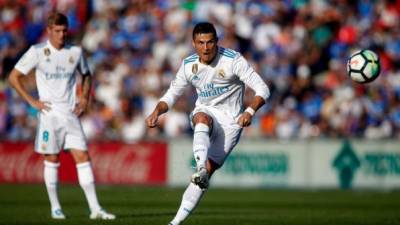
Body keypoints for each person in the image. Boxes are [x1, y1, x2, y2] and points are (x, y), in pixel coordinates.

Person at [145, 22, 270, 225]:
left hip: (232, 122)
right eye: (201, 42)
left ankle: (175, 221)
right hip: (206, 110)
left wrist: (249, 111)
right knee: (201, 118)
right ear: (193, 43)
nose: (206, 47)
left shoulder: (233, 60)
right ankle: (200, 167)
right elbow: (171, 95)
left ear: (216, 42)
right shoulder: (188, 65)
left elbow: (263, 89)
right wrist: (156, 112)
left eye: (210, 42)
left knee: (205, 177)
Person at [8, 12, 115, 220]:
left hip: (70, 114)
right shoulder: (37, 51)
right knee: (52, 159)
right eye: (57, 31)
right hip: (49, 115)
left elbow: (86, 75)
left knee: (83, 157)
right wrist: (31, 101)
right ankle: (55, 207)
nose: (61, 34)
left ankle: (95, 209)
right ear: (49, 31)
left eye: (64, 30)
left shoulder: (75, 52)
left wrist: (84, 99)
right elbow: (14, 77)